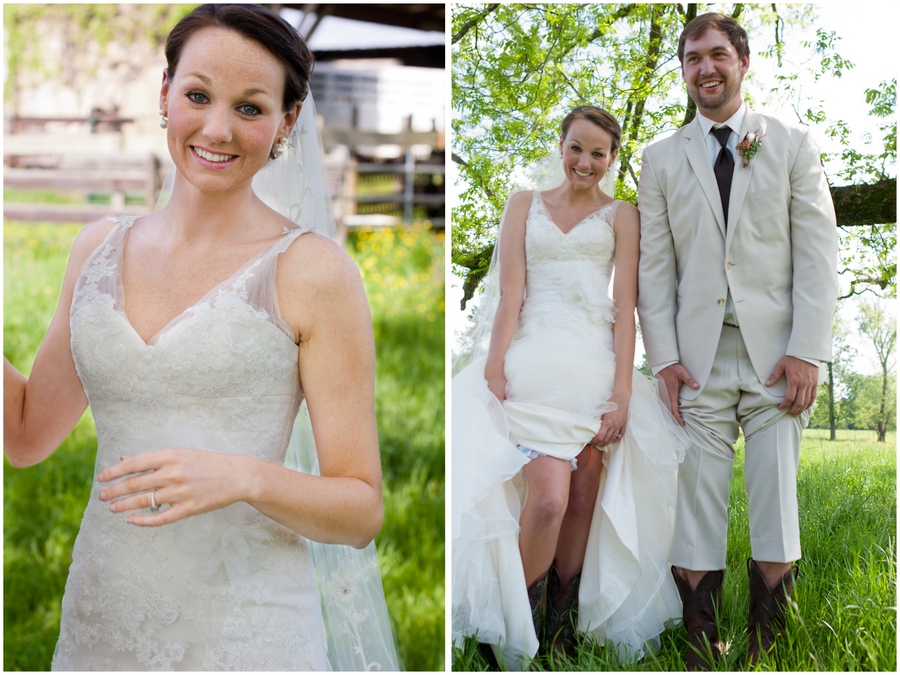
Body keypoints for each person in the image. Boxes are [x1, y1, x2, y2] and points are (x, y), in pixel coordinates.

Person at [4, 5, 399, 671]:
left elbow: (360, 509)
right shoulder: (95, 252)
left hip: (248, 629)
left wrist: (243, 475)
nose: (218, 128)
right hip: (104, 613)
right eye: (197, 95)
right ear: (165, 96)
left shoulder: (313, 273)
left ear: (287, 123)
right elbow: (23, 435)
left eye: (250, 107)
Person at [636, 12, 838, 670]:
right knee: (697, 494)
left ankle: (768, 635)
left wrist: (808, 348)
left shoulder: (791, 142)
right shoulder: (660, 159)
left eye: (718, 54)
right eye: (693, 59)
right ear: (685, 71)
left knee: (776, 493)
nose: (706, 68)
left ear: (743, 61)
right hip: (695, 361)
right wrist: (663, 359)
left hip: (778, 354)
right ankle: (701, 636)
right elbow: (654, 268)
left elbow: (817, 253)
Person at [452, 106, 687, 669]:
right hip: (533, 365)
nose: (586, 162)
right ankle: (517, 625)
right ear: (560, 146)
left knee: (583, 498)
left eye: (599, 153)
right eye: (576, 148)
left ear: (612, 159)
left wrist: (624, 394)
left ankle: (561, 627)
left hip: (592, 368)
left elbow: (625, 305)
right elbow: (511, 294)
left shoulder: (622, 216)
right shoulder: (522, 205)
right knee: (550, 500)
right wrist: (494, 366)